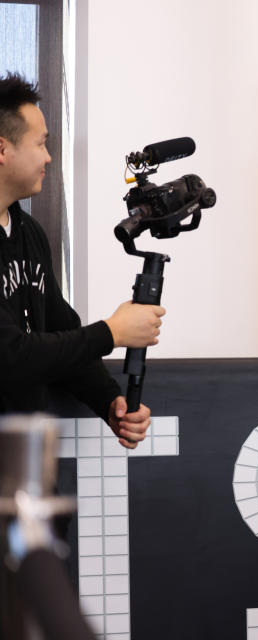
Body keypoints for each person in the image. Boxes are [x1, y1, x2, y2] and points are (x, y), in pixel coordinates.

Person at [0, 73, 164, 449]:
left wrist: (110, 403)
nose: (48, 156)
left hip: (27, 461)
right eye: (40, 144)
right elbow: (11, 356)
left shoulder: (29, 233)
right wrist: (113, 332)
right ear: (3, 149)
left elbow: (61, 330)